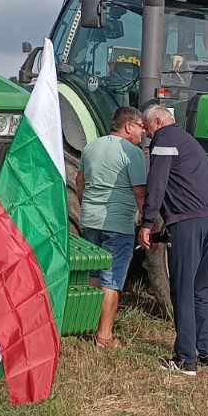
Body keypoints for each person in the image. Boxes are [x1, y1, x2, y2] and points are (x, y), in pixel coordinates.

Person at [138, 105, 208, 376]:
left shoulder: (165, 140)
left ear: (158, 122)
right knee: (200, 290)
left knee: (182, 290)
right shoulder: (189, 141)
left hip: (188, 222)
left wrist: (147, 222)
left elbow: (157, 183)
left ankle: (185, 360)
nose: (147, 134)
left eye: (148, 128)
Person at [76, 106, 147, 349]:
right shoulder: (132, 153)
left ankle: (86, 326)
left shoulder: (91, 146)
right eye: (140, 126)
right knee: (111, 280)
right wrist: (148, 223)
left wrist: (86, 207)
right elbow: (139, 192)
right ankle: (105, 337)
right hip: (118, 224)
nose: (143, 131)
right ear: (128, 127)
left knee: (94, 275)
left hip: (90, 220)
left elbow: (80, 181)